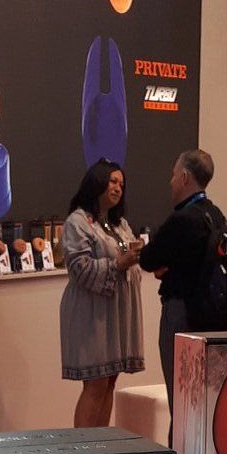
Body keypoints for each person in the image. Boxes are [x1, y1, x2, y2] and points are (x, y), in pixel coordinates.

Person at [139, 149, 227, 416]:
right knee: (204, 400)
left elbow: (148, 258)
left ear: (185, 177)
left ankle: (178, 443)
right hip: (214, 315)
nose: (171, 181)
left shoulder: (183, 219)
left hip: (182, 315)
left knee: (180, 400)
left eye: (174, 175)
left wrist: (165, 268)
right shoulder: (216, 215)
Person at [60, 160, 145, 427]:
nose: (118, 188)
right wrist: (118, 264)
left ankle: (102, 443)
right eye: (112, 181)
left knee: (109, 381)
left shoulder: (119, 224)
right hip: (91, 314)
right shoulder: (78, 221)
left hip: (116, 312)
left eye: (121, 184)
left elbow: (128, 258)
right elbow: (78, 267)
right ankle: (84, 447)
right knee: (95, 383)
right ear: (96, 182)